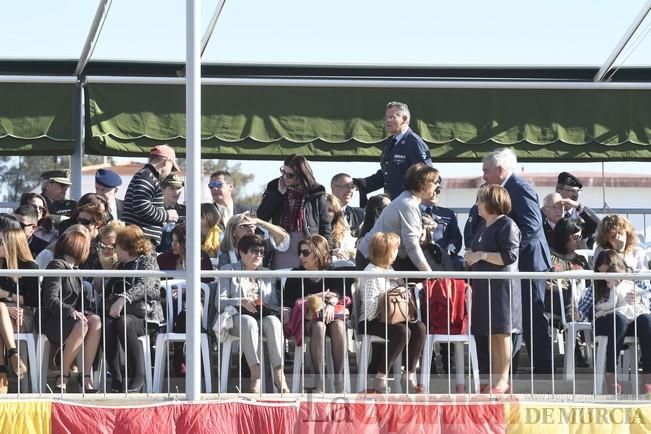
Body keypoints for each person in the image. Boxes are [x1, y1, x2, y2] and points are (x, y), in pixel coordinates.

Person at [482, 147, 552, 375]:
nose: (484, 176)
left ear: (499, 170)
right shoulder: (507, 188)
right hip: (516, 264)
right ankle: (508, 370)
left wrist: (507, 252)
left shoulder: (519, 188)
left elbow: (531, 228)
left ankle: (543, 370)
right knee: (514, 316)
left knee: (532, 316)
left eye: (486, 171)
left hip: (528, 263)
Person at [465, 185, 522, 393]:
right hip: (484, 286)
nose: (477, 205)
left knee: (502, 332)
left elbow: (509, 256)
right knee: (491, 333)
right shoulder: (482, 225)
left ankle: (503, 380)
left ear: (492, 203)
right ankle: (494, 377)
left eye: (480, 200)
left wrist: (482, 255)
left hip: (502, 287)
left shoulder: (507, 225)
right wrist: (471, 255)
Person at [218, 234, 289, 393]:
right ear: (242, 252)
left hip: (262, 316)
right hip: (237, 317)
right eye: (254, 251)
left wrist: (281, 309)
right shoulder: (228, 270)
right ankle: (255, 374)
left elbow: (275, 303)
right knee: (248, 322)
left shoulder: (267, 273)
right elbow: (220, 302)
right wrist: (240, 301)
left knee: (273, 322)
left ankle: (279, 373)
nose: (259, 255)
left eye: (262, 252)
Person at [282, 234, 353, 392]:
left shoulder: (332, 272)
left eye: (306, 253)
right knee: (319, 326)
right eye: (300, 253)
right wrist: (315, 297)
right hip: (305, 320)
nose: (301, 256)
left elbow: (341, 293)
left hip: (331, 316)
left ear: (319, 252)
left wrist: (332, 303)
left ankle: (339, 380)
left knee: (339, 326)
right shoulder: (296, 274)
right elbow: (288, 302)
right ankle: (319, 382)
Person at [358, 232, 426, 393]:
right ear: (385, 250)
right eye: (395, 248)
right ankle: (380, 376)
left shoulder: (390, 270)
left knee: (420, 328)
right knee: (402, 332)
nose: (397, 251)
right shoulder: (371, 272)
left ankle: (409, 374)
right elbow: (369, 311)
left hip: (391, 318)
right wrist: (387, 297)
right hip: (371, 320)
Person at [577, 250, 651, 394]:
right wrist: (580, 315)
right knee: (619, 319)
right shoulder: (597, 285)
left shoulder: (634, 278)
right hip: (606, 322)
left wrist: (641, 299)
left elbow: (649, 297)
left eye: (608, 274)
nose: (605, 279)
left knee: (646, 320)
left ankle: (648, 375)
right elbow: (583, 309)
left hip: (632, 319)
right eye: (602, 274)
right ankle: (611, 374)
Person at [41, 229, 101, 393]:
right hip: (54, 320)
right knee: (82, 324)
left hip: (70, 319)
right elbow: (51, 299)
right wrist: (70, 311)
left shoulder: (74, 270)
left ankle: (86, 375)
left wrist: (85, 311)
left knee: (95, 321)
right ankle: (64, 374)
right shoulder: (56, 265)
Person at [104, 225, 163, 392]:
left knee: (123, 323)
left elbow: (145, 285)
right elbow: (108, 291)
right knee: (107, 324)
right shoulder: (118, 266)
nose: (115, 249)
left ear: (126, 247)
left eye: (117, 246)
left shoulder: (147, 261)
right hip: (119, 313)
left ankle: (139, 375)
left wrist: (123, 299)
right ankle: (116, 377)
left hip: (145, 316)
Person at [357, 163, 439, 272]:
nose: (437, 185)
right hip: (372, 259)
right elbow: (411, 245)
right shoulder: (408, 204)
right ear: (423, 185)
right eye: (434, 182)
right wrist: (429, 274)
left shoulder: (407, 200)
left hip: (376, 256)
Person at [257, 154, 332, 269]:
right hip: (282, 246)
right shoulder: (274, 186)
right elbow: (262, 215)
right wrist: (279, 194)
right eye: (283, 171)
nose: (285, 177)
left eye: (290, 175)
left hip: (307, 248)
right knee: (282, 284)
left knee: (305, 284)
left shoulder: (315, 192)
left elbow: (325, 226)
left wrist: (328, 253)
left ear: (301, 175)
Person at [157, 223, 214, 376]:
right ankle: (179, 353)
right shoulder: (164, 259)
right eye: (172, 240)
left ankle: (180, 354)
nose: (173, 245)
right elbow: (157, 285)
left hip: (195, 303)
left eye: (177, 241)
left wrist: (183, 291)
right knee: (176, 305)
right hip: (168, 304)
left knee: (192, 308)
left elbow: (207, 285)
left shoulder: (202, 258)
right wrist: (171, 293)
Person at [354, 101, 433, 202]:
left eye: (392, 117)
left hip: (408, 204)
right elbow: (387, 174)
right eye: (386, 117)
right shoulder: (390, 142)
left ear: (404, 119)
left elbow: (427, 176)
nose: (387, 121)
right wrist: (363, 183)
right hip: (392, 203)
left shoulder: (414, 143)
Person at [0, 228, 40, 392]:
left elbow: (33, 300)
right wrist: (7, 307)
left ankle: (2, 378)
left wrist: (6, 295)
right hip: (5, 312)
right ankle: (13, 354)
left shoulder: (30, 266)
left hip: (24, 314)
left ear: (12, 244)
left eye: (0, 242)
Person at [122, 144, 180, 247]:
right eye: (172, 168)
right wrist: (167, 215)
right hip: (140, 242)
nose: (170, 172)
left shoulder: (146, 176)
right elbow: (141, 206)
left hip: (137, 240)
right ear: (166, 162)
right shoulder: (147, 177)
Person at [217, 213, 289, 269]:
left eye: (252, 226)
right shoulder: (225, 253)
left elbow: (282, 237)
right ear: (233, 232)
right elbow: (224, 278)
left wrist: (260, 222)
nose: (249, 229)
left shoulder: (261, 245)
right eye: (243, 226)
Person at [420, 179, 464, 271]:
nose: (435, 194)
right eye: (432, 191)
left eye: (438, 191)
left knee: (460, 263)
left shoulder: (448, 214)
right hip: (422, 256)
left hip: (444, 255)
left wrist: (449, 251)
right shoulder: (413, 212)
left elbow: (456, 238)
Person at [555, 172, 600, 249]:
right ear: (559, 190)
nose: (575, 195)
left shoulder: (581, 216)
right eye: (571, 190)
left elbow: (599, 226)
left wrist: (579, 207)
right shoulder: (549, 212)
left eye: (578, 191)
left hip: (576, 258)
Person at [157, 173, 186, 253]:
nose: (176, 192)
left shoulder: (185, 211)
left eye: (178, 188)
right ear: (162, 189)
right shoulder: (155, 212)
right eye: (172, 188)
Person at [330, 173, 364, 237]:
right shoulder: (323, 213)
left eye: (352, 187)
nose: (350, 190)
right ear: (333, 189)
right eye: (346, 186)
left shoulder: (361, 215)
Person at [326, 194, 356, 262]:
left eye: (330, 210)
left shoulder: (343, 230)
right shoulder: (311, 229)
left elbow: (351, 250)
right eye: (322, 209)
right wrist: (331, 253)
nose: (326, 213)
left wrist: (343, 252)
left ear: (335, 213)